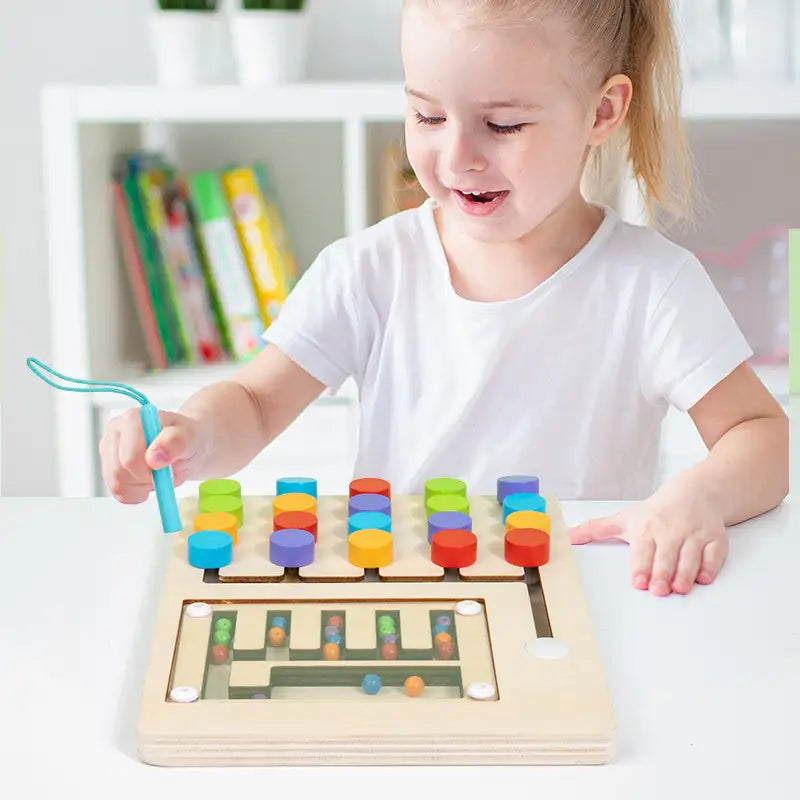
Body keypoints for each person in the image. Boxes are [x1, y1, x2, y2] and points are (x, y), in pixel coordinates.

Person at [99, 0, 788, 597]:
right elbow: (255, 402)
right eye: (427, 115)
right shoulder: (368, 270)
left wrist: (698, 495)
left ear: (601, 112)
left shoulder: (651, 286)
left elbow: (762, 437)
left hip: (580, 601)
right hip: (400, 600)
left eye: (504, 125)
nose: (457, 157)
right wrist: (192, 435)